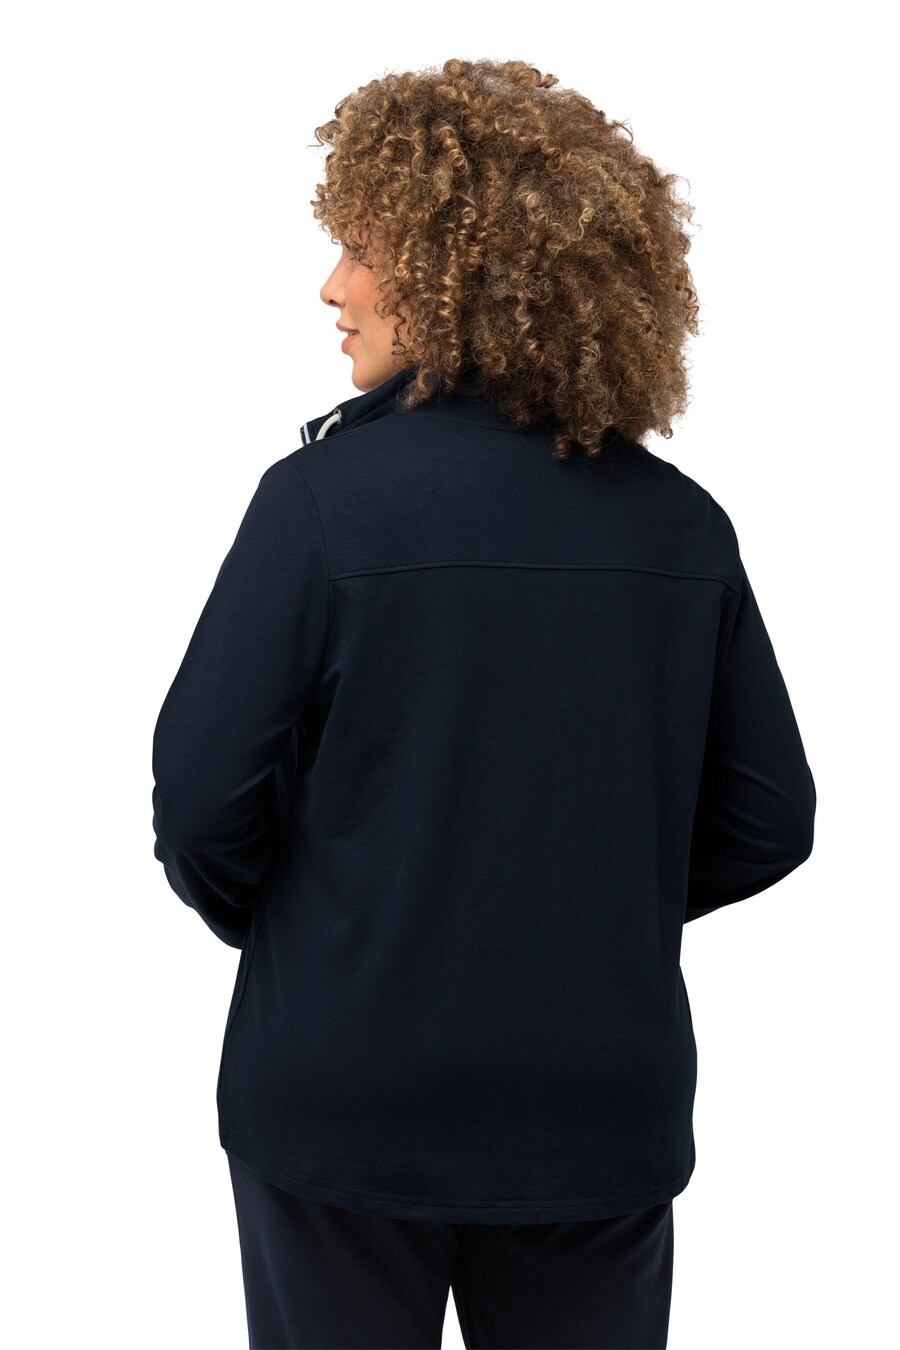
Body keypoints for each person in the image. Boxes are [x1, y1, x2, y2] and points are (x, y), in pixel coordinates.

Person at [151, 57, 816, 1349]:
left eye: (364, 250)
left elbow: (200, 802)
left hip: (342, 1103)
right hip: (593, 1114)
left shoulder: (320, 504)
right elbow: (768, 816)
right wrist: (584, 911)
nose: (331, 287)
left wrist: (330, 929)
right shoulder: (683, 528)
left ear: (460, 271)